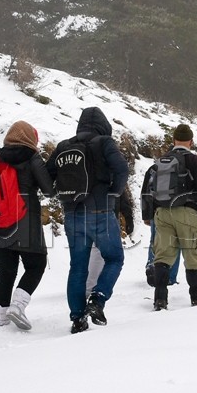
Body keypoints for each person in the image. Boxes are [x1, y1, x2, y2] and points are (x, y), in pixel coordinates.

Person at [47, 107, 128, 334]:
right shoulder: (104, 143)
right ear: (103, 125)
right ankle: (98, 298)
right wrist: (113, 193)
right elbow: (122, 169)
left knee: (78, 267)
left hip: (72, 213)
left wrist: (54, 194)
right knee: (114, 258)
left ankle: (77, 318)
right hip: (101, 211)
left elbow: (46, 175)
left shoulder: (64, 146)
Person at [0, 121, 53, 331]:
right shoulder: (32, 159)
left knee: (6, 271)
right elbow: (49, 190)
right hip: (25, 221)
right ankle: (18, 306)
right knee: (36, 265)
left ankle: (1, 318)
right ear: (31, 139)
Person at [146, 123, 197, 310]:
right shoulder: (194, 161)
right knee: (191, 254)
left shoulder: (160, 161)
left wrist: (149, 215)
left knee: (162, 256)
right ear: (191, 142)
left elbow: (147, 190)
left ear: (173, 141)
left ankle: (160, 299)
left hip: (162, 213)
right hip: (186, 212)